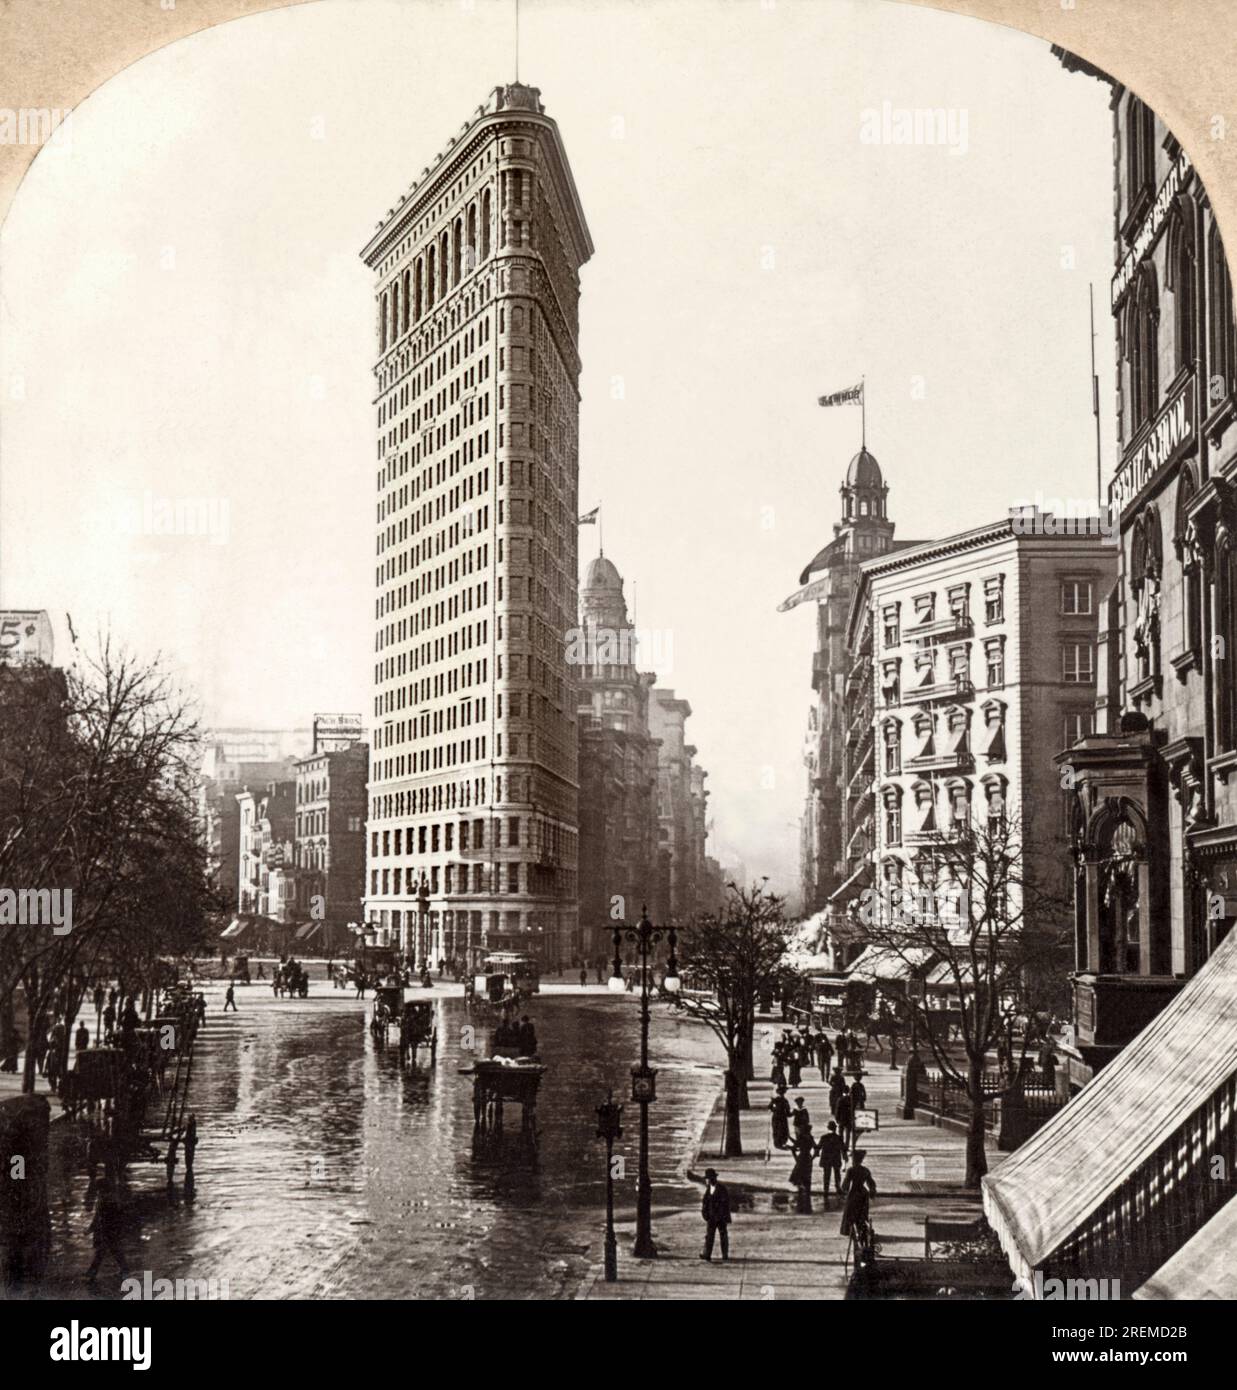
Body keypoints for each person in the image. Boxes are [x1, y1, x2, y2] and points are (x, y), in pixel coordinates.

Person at [86, 1180, 130, 1282]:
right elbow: (97, 1218)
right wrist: (91, 1228)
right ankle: (93, 1271)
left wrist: (92, 1228)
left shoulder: (111, 1203)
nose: (99, 1194)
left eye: (101, 1192)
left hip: (109, 1231)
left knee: (107, 1251)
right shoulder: (102, 1202)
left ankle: (93, 1271)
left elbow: (116, 1219)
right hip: (105, 1231)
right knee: (107, 1252)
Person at [839, 1148, 877, 1241]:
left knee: (850, 1211)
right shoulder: (865, 1170)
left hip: (854, 1192)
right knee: (862, 1213)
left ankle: (849, 1230)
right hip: (863, 1193)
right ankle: (861, 1229)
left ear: (854, 1160)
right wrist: (872, 1192)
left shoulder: (851, 1170)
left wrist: (844, 1191)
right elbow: (871, 1183)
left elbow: (846, 1184)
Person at [700, 1168, 731, 1261]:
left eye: (709, 1179)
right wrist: (705, 1214)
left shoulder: (722, 1189)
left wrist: (724, 1216)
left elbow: (726, 1204)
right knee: (709, 1236)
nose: (707, 1181)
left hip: (720, 1217)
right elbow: (705, 1202)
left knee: (723, 1236)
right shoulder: (708, 1189)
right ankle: (707, 1254)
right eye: (707, 1179)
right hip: (711, 1217)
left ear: (713, 1178)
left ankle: (725, 1255)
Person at [816, 1120, 845, 1199]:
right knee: (837, 1174)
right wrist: (845, 1157)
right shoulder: (838, 1138)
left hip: (826, 1159)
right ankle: (838, 1188)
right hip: (836, 1159)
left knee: (826, 1175)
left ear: (828, 1128)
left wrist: (815, 1155)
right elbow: (843, 1149)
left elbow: (818, 1148)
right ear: (835, 1128)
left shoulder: (824, 1137)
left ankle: (826, 1190)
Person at [768, 1085, 791, 1149]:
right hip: (781, 1117)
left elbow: (769, 1107)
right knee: (780, 1129)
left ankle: (778, 1143)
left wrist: (774, 1110)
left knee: (778, 1129)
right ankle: (780, 1143)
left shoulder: (777, 1100)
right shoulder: (783, 1100)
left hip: (778, 1116)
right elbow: (788, 1111)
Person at [836, 1085, 855, 1153]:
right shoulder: (851, 1099)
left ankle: (841, 1146)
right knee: (848, 1134)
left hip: (841, 1119)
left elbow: (838, 1110)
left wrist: (837, 1118)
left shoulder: (840, 1099)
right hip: (849, 1119)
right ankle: (846, 1146)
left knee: (840, 1133)